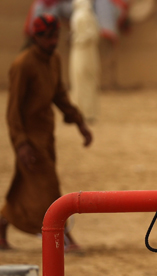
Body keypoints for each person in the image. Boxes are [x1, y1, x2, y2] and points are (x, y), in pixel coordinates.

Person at [1, 14, 94, 251]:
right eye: (49, 37)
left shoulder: (54, 60)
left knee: (24, 187)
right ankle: (63, 237)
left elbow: (60, 95)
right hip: (28, 139)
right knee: (48, 186)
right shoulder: (22, 65)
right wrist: (21, 144)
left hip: (46, 135)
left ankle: (0, 228)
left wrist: (80, 123)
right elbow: (12, 112)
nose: (53, 42)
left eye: (56, 37)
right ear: (36, 37)